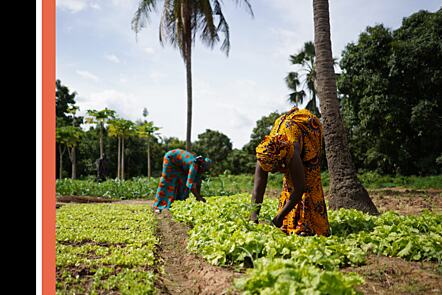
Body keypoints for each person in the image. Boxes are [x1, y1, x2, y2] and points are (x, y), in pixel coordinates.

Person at [250, 107, 330, 236]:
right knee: (289, 181)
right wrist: (253, 217)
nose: (275, 173)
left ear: (281, 159)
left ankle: (311, 225)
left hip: (309, 128)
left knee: (309, 180)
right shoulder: (264, 155)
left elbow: (300, 189)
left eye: (275, 169)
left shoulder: (292, 152)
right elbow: (257, 189)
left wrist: (278, 218)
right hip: (287, 128)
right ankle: (290, 221)